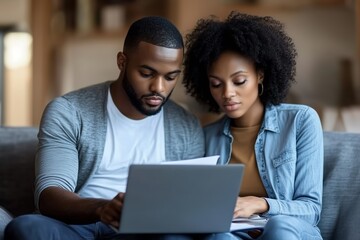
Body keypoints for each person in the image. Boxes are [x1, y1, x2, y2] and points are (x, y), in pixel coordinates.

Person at [4, 16, 227, 240]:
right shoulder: (69, 112)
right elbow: (49, 196)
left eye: (170, 77)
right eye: (147, 73)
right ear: (122, 62)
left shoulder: (186, 126)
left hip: (144, 233)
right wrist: (102, 208)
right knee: (26, 228)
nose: (158, 88)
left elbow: (186, 205)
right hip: (79, 227)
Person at [182, 11, 324, 240]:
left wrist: (259, 204)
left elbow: (311, 210)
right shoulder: (207, 137)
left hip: (290, 230)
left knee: (279, 228)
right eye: (216, 84)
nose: (227, 93)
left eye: (239, 81)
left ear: (260, 74)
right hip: (236, 232)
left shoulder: (300, 121)